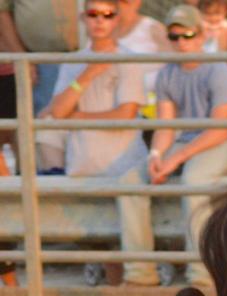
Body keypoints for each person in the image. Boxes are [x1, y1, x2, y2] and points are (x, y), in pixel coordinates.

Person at [117, 4, 227, 287]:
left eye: (187, 35)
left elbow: (220, 128)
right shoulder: (167, 73)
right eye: (174, 37)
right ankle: (139, 274)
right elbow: (166, 125)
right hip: (187, 144)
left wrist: (176, 157)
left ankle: (201, 275)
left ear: (200, 35)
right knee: (129, 182)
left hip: (223, 142)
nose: (181, 43)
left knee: (194, 180)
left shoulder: (218, 69)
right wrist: (157, 155)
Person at [37, 0, 148, 179]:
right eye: (93, 14)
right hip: (81, 169)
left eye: (107, 15)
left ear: (117, 19)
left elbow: (126, 114)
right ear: (83, 18)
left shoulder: (129, 60)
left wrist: (79, 117)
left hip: (123, 171)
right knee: (45, 133)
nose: (99, 21)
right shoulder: (72, 62)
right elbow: (58, 112)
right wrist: (88, 74)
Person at [0, 0, 81, 113]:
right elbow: (2, 11)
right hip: (40, 66)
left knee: (90, 120)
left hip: (89, 59)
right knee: (47, 121)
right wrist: (22, 60)